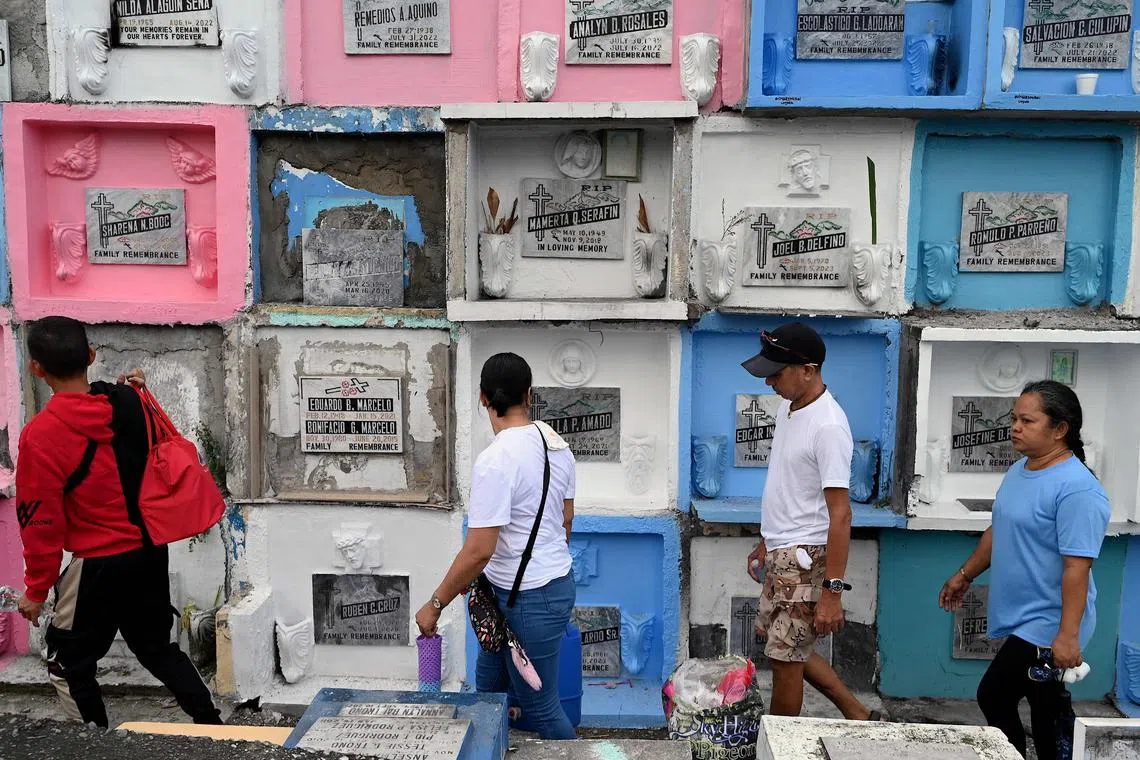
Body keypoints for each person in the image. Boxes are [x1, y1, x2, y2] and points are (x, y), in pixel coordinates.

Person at [13, 316, 222, 729]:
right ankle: (213, 724)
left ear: (36, 368)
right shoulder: (128, 402)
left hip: (95, 563)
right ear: (91, 356)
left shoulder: (40, 436)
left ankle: (96, 742)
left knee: (68, 663)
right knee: (157, 649)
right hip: (148, 551)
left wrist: (36, 590)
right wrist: (139, 391)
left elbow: (41, 522)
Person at [939, 381, 1110, 760]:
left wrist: (1066, 636)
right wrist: (965, 575)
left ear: (1059, 429)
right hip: (1027, 617)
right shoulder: (1020, 470)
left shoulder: (1078, 490)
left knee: (995, 695)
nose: (1015, 426)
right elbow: (998, 531)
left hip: (1049, 623)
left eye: (1027, 420)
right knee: (1045, 715)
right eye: (1014, 418)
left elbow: (1076, 568)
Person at [415, 352, 577, 739]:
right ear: (529, 395)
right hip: (517, 593)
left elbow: (479, 550)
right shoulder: (557, 447)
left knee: (541, 705)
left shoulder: (495, 461)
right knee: (488, 690)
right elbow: (566, 520)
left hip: (531, 601)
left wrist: (435, 604)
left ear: (484, 398)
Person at [740, 322, 881, 721]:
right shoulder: (789, 406)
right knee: (788, 648)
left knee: (785, 663)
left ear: (809, 369)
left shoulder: (829, 426)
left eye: (777, 372)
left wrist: (832, 592)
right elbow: (789, 484)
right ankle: (856, 713)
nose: (769, 381)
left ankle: (777, 746)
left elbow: (841, 514)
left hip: (807, 561)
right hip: (784, 550)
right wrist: (769, 540)